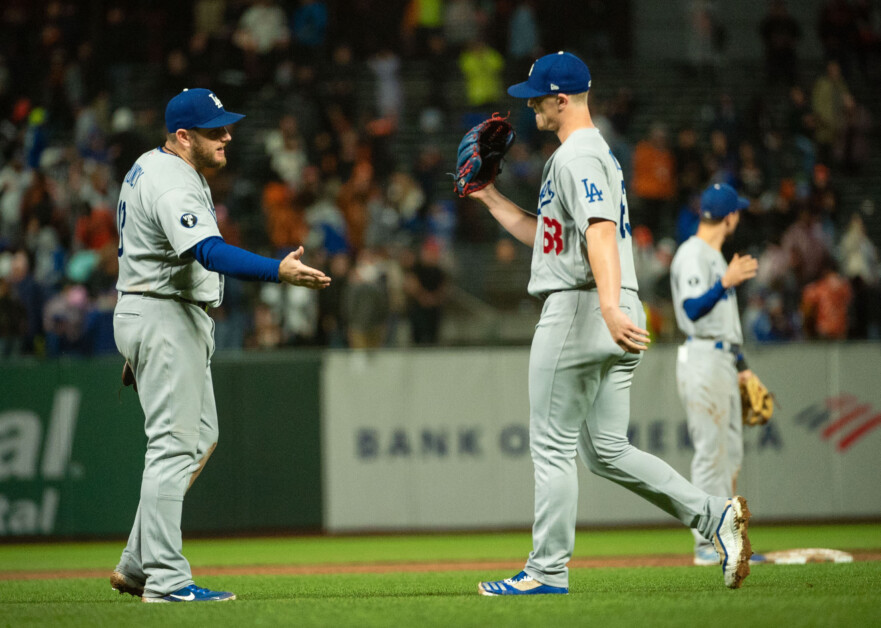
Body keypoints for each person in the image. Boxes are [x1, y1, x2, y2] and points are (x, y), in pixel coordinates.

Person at [465, 52, 753, 596]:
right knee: (608, 451)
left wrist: (606, 307)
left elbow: (599, 232)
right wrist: (489, 196)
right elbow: (551, 238)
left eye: (536, 97)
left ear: (562, 99)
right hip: (609, 301)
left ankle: (546, 571)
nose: (529, 106)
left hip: (583, 305)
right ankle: (715, 515)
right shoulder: (593, 156)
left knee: (552, 446)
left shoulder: (577, 156)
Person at [110, 88, 330, 603]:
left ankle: (138, 562)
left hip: (161, 311)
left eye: (226, 126)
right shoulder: (171, 182)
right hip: (162, 312)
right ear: (183, 137)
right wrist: (276, 270)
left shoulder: (153, 166)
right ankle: (166, 580)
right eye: (214, 130)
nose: (227, 135)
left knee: (201, 435)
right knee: (170, 448)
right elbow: (207, 251)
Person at [669, 183, 761, 565]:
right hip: (703, 356)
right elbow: (691, 309)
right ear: (730, 217)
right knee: (710, 454)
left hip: (723, 359)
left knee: (730, 455)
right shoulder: (694, 254)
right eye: (737, 211)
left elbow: (723, 322)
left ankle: (728, 541)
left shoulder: (715, 257)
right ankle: (707, 545)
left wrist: (742, 369)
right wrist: (725, 282)